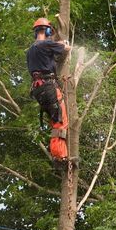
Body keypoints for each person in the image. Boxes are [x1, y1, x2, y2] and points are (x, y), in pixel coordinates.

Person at [27, 17, 71, 160]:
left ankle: (57, 153)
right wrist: (63, 43)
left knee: (54, 120)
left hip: (38, 90)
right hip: (48, 86)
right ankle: (60, 157)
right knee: (60, 121)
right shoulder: (46, 44)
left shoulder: (30, 50)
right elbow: (66, 48)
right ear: (47, 30)